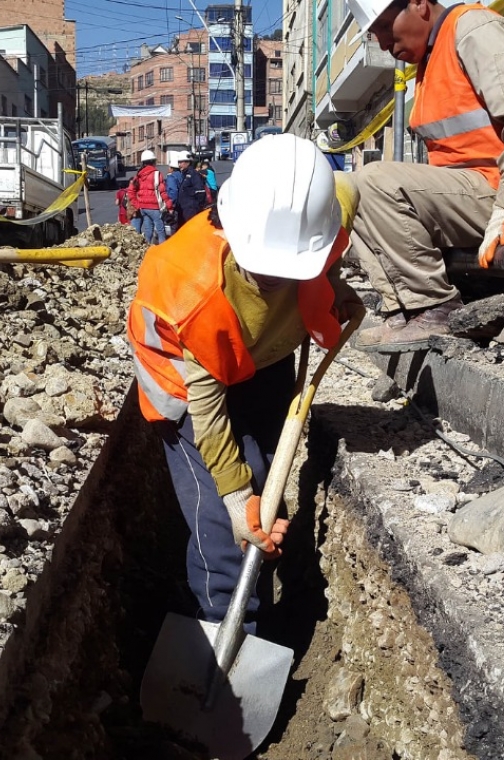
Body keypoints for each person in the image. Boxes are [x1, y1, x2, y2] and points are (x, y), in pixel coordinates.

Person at [126, 134, 361, 627]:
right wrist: (235, 501)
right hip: (184, 381)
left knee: (266, 476)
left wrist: (332, 287)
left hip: (261, 357)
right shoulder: (195, 293)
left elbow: (346, 190)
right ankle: (222, 626)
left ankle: (274, 599)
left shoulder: (325, 209)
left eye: (291, 265)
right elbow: (209, 416)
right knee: (222, 519)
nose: (276, 279)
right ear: (235, 231)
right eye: (263, 269)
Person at [345, 0, 504, 352]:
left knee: (373, 180)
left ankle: (435, 308)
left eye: (384, 27)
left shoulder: (472, 30)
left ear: (418, 5)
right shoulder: (430, 60)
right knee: (350, 189)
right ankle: (403, 310)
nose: (382, 42)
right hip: (470, 198)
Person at [127, 149, 173, 244]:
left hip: (143, 208)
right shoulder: (156, 174)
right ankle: (162, 251)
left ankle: (146, 250)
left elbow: (131, 191)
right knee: (161, 231)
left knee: (148, 230)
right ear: (153, 161)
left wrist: (137, 204)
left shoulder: (138, 175)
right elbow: (163, 192)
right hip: (154, 207)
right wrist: (169, 206)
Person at [174, 152, 212, 227]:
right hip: (183, 209)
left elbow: (200, 191)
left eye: (181, 162)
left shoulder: (193, 174)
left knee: (191, 228)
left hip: (191, 210)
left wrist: (195, 206)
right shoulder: (184, 175)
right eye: (179, 162)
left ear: (188, 162)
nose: (179, 165)